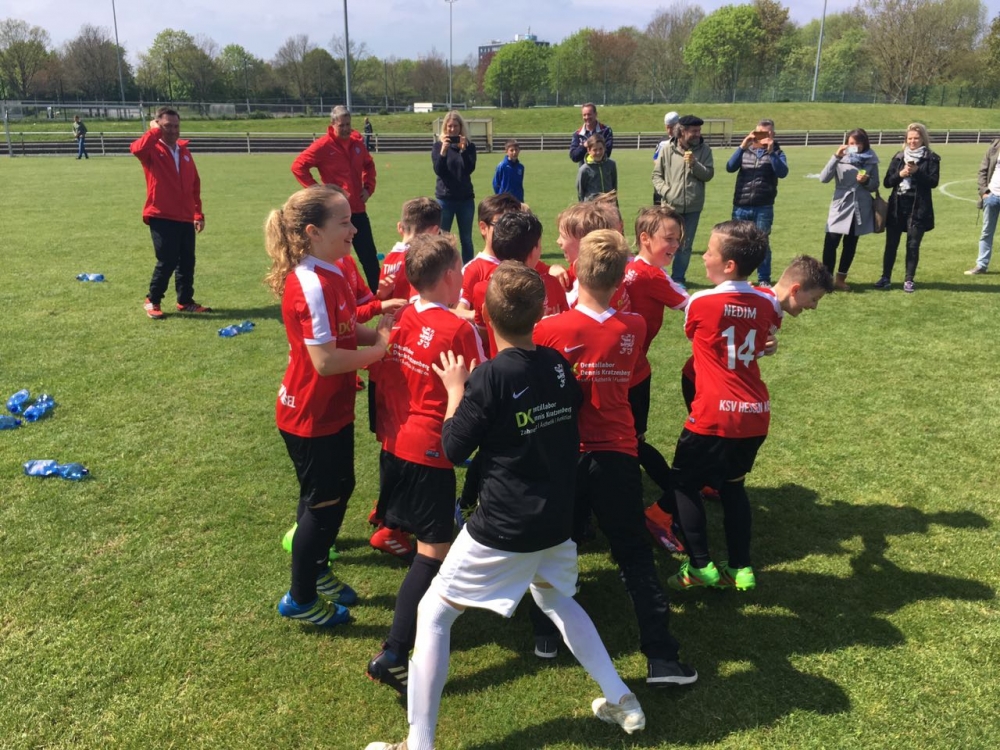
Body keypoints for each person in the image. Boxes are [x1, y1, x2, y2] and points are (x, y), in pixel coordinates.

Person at [365, 262, 647, 750]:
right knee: (555, 598)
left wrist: (456, 389)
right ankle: (621, 699)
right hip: (556, 518)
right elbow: (566, 409)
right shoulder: (556, 363)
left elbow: (453, 448)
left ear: (484, 315)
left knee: (434, 612)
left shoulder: (489, 377)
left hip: (505, 524)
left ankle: (418, 743)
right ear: (540, 314)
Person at [534, 229, 697, 687]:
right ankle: (662, 657)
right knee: (633, 554)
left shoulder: (547, 329)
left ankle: (545, 634)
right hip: (618, 453)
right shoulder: (634, 327)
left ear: (576, 271)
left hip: (566, 454)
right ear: (621, 277)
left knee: (555, 545)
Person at [263, 184, 392, 627]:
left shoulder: (333, 271)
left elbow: (346, 329)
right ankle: (300, 598)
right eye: (345, 222)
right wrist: (379, 352)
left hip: (330, 410)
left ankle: (317, 570)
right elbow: (325, 360)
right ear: (313, 232)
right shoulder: (310, 284)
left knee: (336, 491)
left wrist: (383, 335)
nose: (354, 229)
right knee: (322, 505)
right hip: (308, 415)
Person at [366, 233, 486, 697]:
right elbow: (479, 387)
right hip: (430, 451)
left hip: (395, 442)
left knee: (427, 537)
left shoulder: (402, 316)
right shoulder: (459, 331)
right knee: (433, 551)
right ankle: (395, 653)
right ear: (452, 276)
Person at [665, 221, 782, 593]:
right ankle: (740, 568)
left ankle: (700, 565)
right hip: (755, 413)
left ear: (729, 265)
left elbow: (695, 333)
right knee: (734, 487)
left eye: (710, 251)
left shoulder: (701, 301)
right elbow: (767, 333)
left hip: (714, 413)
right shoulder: (768, 301)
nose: (703, 256)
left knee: (683, 484)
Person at [622, 206, 689, 553]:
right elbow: (693, 305)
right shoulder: (649, 275)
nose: (676, 245)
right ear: (645, 238)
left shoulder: (632, 268)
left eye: (679, 239)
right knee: (630, 442)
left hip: (629, 370)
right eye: (670, 238)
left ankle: (670, 492)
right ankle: (676, 491)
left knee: (630, 440)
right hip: (628, 374)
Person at [130, 107, 210, 320]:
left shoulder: (184, 151)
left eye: (176, 126)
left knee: (187, 262)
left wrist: (197, 213)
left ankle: (185, 301)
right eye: (167, 126)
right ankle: (152, 300)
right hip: (161, 214)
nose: (173, 130)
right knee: (167, 260)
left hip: (185, 216)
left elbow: (194, 184)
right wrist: (154, 131)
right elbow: (136, 149)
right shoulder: (151, 149)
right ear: (157, 125)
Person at [291, 106, 380, 293]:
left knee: (369, 257)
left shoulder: (357, 143)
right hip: (334, 214)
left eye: (348, 124)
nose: (346, 129)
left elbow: (369, 165)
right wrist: (318, 191)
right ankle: (337, 294)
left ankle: (380, 297)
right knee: (337, 257)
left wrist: (368, 188)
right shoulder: (323, 146)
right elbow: (298, 166)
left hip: (358, 210)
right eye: (342, 125)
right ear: (332, 125)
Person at [874, 123, 940, 294]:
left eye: (916, 138)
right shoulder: (898, 157)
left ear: (923, 139)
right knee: (891, 244)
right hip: (897, 206)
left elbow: (933, 182)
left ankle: (909, 279)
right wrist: (900, 175)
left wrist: (917, 171)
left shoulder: (931, 158)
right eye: (909, 138)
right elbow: (887, 182)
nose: (912, 141)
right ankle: (885, 277)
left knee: (912, 245)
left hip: (918, 208)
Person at [652, 114, 714, 287]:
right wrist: (667, 192)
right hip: (670, 207)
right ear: (682, 131)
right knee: (665, 242)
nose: (698, 134)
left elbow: (708, 174)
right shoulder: (667, 149)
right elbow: (656, 176)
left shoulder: (705, 150)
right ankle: (659, 275)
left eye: (699, 130)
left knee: (685, 245)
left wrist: (695, 164)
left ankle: (678, 278)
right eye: (694, 131)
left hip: (693, 207)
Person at [726, 118, 789, 287]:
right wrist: (742, 146)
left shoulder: (778, 153)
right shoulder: (745, 151)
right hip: (741, 203)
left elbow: (782, 173)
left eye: (767, 133)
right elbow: (730, 167)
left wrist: (771, 152)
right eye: (759, 133)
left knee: (762, 243)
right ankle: (738, 277)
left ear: (773, 134)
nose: (762, 137)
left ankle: (764, 279)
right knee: (738, 242)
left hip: (763, 205)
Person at [819, 128, 880, 291]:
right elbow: (823, 178)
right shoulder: (840, 158)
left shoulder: (871, 159)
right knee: (831, 242)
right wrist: (836, 157)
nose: (855, 146)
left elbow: (875, 186)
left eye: (858, 143)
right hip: (841, 204)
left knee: (850, 244)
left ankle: (840, 279)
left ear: (864, 144)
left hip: (860, 206)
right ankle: (826, 280)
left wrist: (866, 181)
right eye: (851, 143)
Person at [432, 111, 478, 264]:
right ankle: (442, 269)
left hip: (465, 199)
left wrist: (463, 150)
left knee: (466, 239)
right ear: (445, 127)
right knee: (443, 239)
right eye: (449, 126)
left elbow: (469, 169)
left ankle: (467, 269)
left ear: (461, 127)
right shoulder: (438, 146)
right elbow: (438, 170)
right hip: (445, 199)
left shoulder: (469, 147)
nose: (452, 129)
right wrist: (443, 152)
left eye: (456, 126)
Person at [966, 136, 1000, 275]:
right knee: (987, 232)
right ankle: (981, 265)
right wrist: (984, 192)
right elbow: (983, 171)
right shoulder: (994, 147)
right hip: (992, 196)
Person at [577, 135, 618, 202]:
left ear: (604, 148)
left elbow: (614, 187)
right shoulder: (584, 169)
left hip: (608, 205)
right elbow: (581, 192)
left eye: (600, 149)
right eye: (595, 150)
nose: (598, 152)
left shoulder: (611, 165)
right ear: (589, 150)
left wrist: (615, 205)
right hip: (592, 205)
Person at [652, 111, 680, 205]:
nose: (669, 130)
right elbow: (655, 159)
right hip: (662, 181)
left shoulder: (683, 141)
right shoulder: (662, 142)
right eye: (667, 127)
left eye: (671, 127)